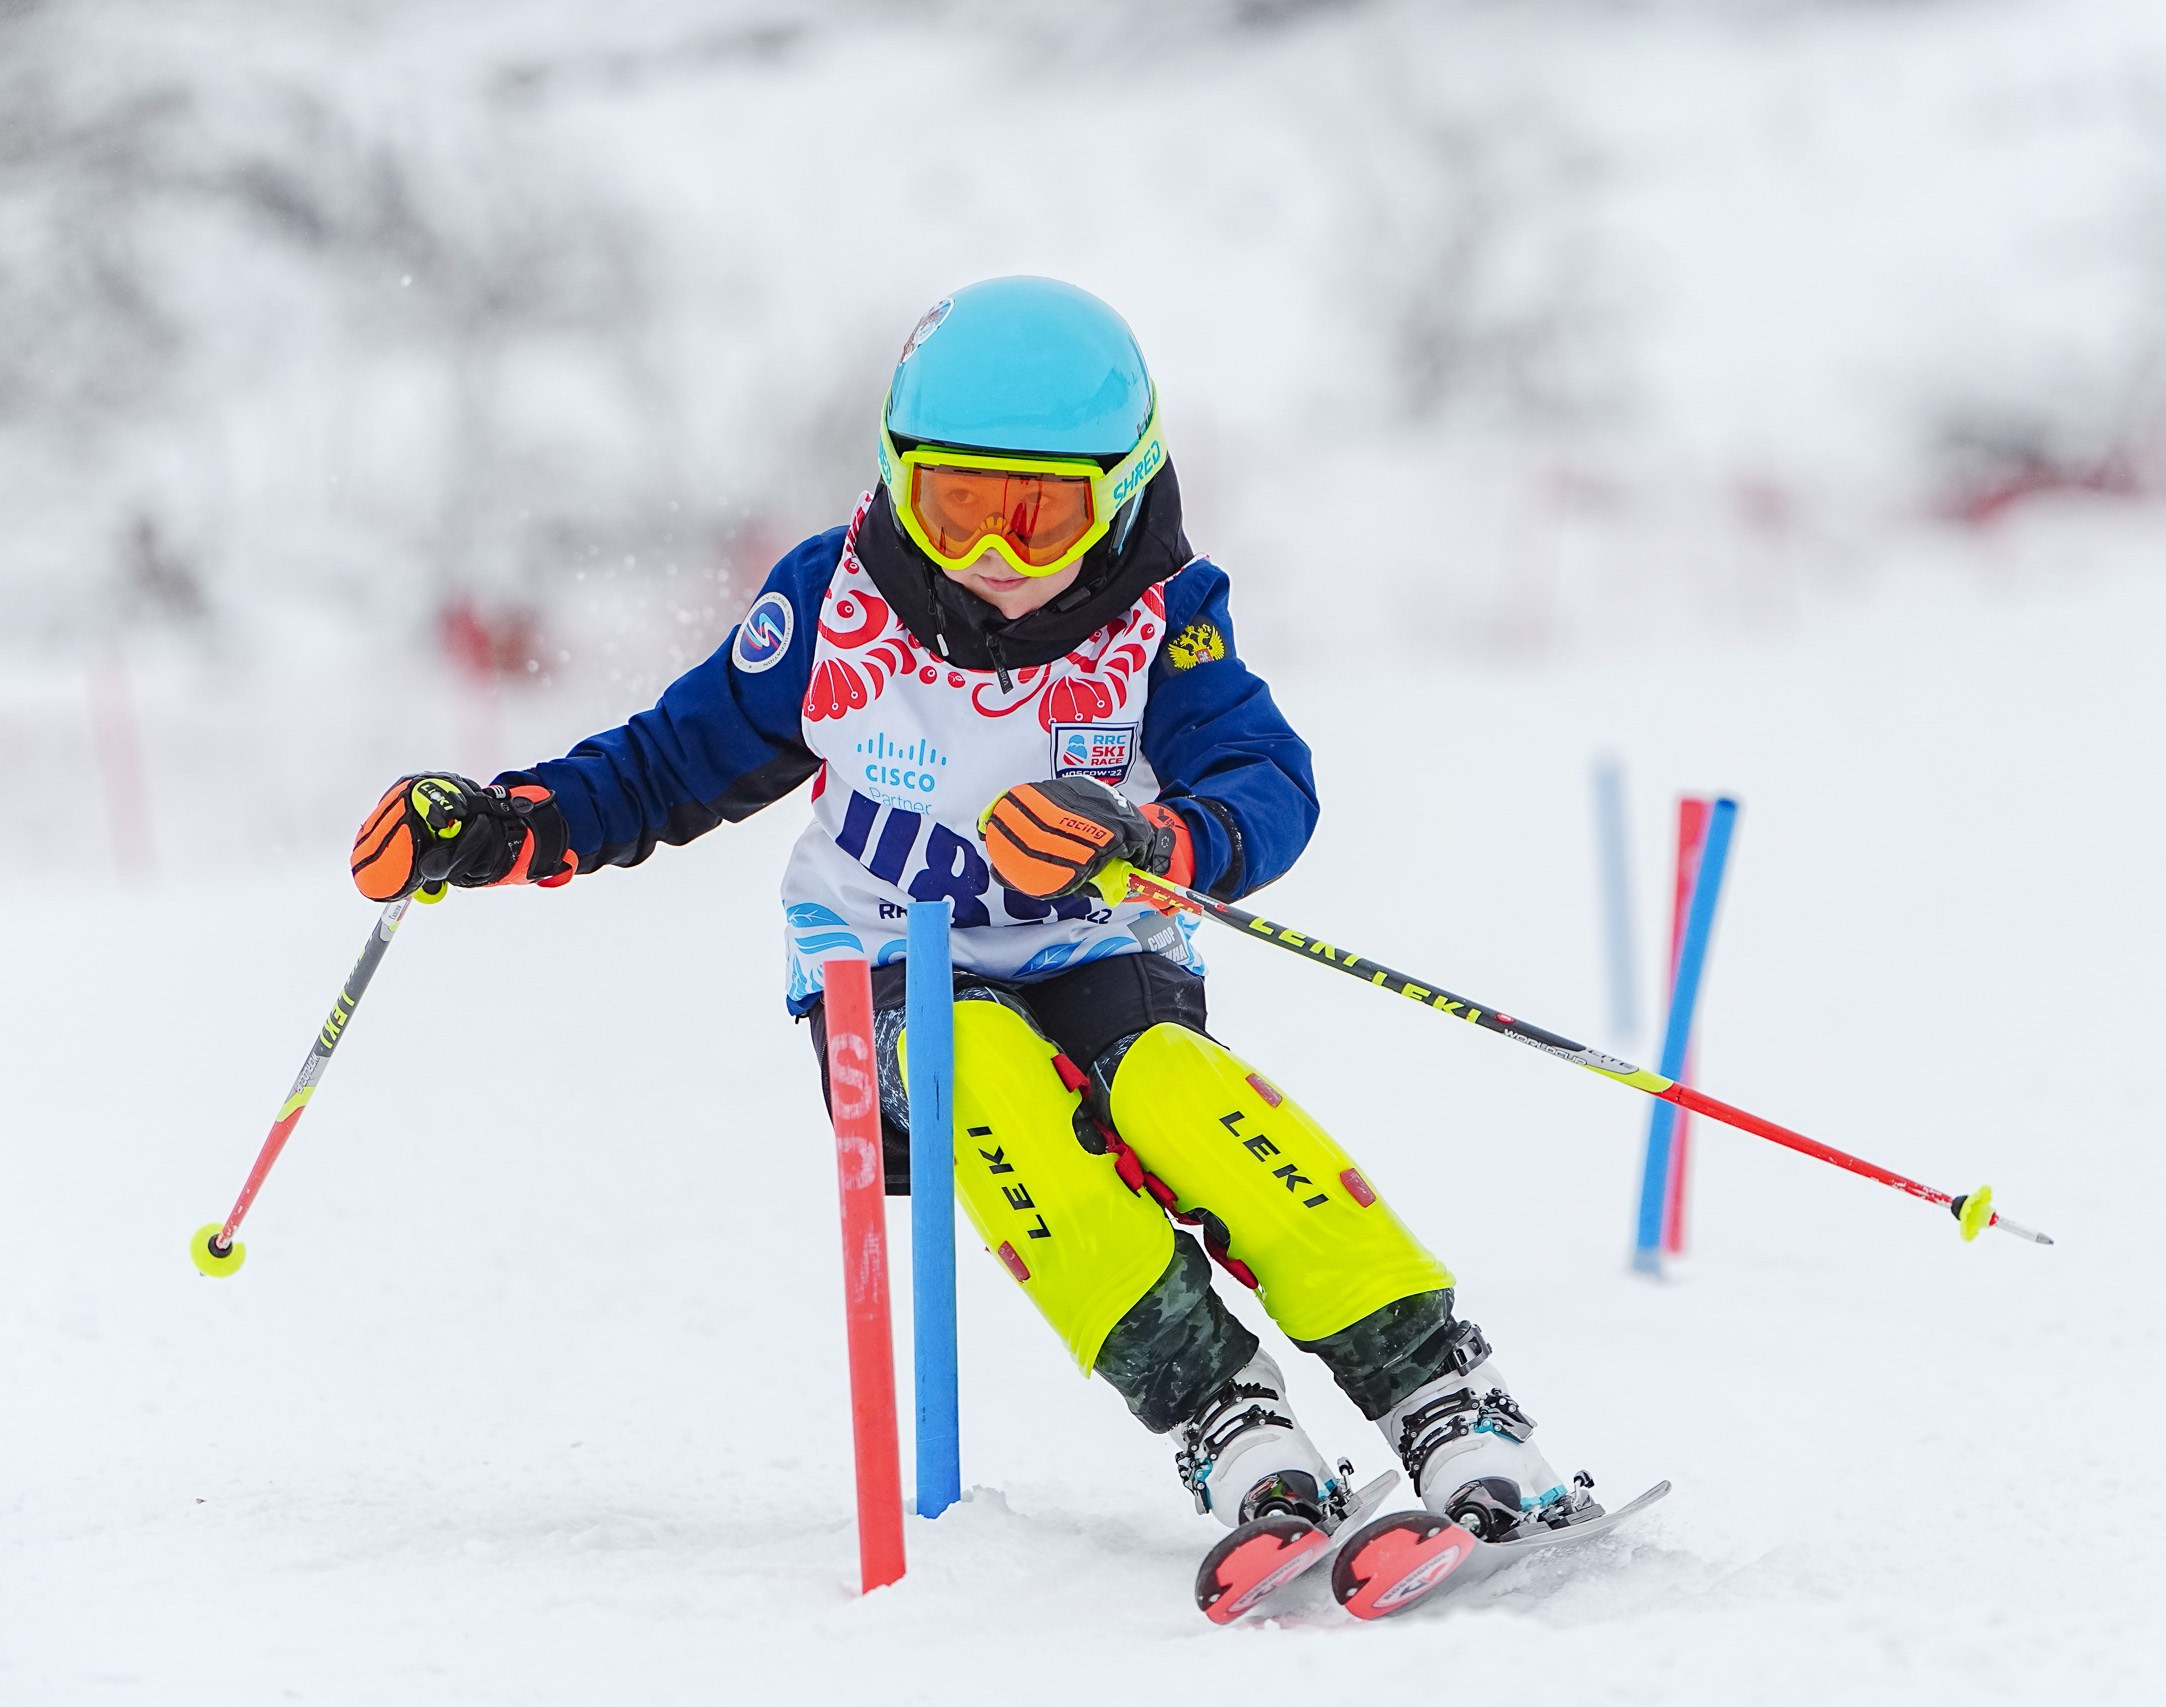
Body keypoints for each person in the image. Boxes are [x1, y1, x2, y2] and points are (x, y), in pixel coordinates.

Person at [346, 276, 1597, 1546]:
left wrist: (1155, 837)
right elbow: (669, 766)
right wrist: (506, 825)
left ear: (1118, 491)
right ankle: (1225, 1417)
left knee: (1176, 1091)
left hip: (1098, 941)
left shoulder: (1162, 620)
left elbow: (1265, 780)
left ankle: (1445, 1396)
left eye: (1038, 517)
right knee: (975, 1069)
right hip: (881, 964)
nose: (994, 556)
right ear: (898, 479)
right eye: (955, 506)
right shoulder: (832, 608)